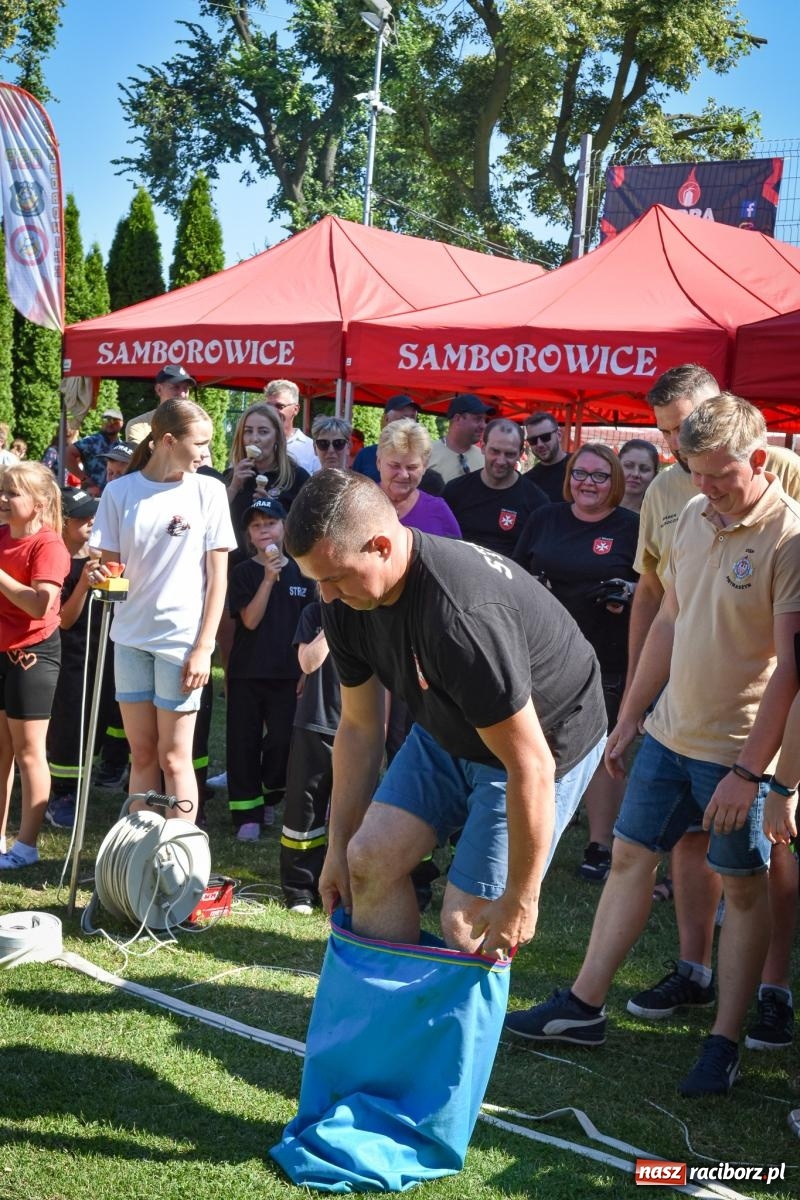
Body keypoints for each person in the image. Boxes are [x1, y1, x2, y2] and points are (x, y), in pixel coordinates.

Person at [505, 394, 800, 1098]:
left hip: (737, 755)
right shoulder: (691, 515)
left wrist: (753, 775)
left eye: (720, 474)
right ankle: (583, 1006)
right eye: (695, 471)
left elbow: (792, 669)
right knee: (629, 858)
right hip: (669, 736)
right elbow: (669, 616)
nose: (706, 487)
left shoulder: (791, 539)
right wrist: (632, 714)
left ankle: (724, 1041)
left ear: (760, 461)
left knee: (744, 890)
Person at [283, 469, 607, 954]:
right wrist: (338, 847)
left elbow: (531, 764)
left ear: (381, 546)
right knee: (367, 863)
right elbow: (359, 727)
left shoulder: (461, 618)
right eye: (316, 581)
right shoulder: (343, 598)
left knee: (468, 926)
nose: (326, 596)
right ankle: (394, 1001)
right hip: (450, 724)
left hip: (541, 739)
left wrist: (521, 896)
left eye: (333, 578)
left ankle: (458, 1003)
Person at [626, 364, 800, 1049]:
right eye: (671, 440)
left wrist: (769, 773)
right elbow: (660, 601)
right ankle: (694, 971)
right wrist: (635, 707)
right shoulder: (681, 498)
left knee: (768, 858)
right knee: (687, 846)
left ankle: (771, 992)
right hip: (685, 721)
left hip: (758, 734)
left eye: (685, 431)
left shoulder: (788, 497)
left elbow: (790, 659)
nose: (679, 452)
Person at [89, 398, 236, 824]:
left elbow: (218, 578)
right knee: (142, 754)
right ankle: (138, 847)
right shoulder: (119, 492)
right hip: (129, 639)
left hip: (181, 642)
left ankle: (178, 851)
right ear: (168, 441)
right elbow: (112, 570)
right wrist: (99, 576)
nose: (207, 453)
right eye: (201, 443)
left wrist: (204, 647)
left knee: (174, 758)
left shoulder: (208, 491)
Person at [514, 441, 638, 880]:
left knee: (601, 748)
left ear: (614, 482)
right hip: (542, 651)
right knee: (535, 742)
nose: (588, 483)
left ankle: (599, 845)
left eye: (600, 476)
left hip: (605, 652)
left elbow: (652, 588)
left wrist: (628, 592)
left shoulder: (631, 527)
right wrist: (533, 585)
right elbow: (516, 572)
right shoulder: (545, 517)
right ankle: (529, 834)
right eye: (580, 474)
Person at [226, 498, 312, 840]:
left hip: (288, 675)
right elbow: (249, 620)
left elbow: (311, 626)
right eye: (256, 526)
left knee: (283, 741)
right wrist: (267, 579)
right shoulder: (243, 572)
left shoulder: (304, 572)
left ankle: (270, 792)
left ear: (284, 527)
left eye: (271, 523)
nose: (264, 531)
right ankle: (247, 814)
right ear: (249, 535)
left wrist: (306, 670)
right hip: (247, 672)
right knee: (243, 742)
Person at [0, 462, 70, 868]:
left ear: (39, 504)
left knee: (29, 752)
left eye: (13, 493)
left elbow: (40, 605)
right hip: (2, 650)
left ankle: (26, 847)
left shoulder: (49, 546)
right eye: (3, 490)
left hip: (33, 653)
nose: (3, 498)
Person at [45, 487, 115, 830]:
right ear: (62, 522)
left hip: (100, 653)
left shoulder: (100, 559)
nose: (91, 522)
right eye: (82, 517)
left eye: (94, 515)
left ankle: (83, 782)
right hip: (69, 656)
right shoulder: (57, 563)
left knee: (95, 721)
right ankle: (61, 794)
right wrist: (85, 585)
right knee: (69, 725)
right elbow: (64, 620)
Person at [279, 595, 341, 914]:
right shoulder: (313, 614)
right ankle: (300, 889)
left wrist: (382, 728)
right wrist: (332, 623)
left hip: (356, 731)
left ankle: (341, 888)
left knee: (350, 814)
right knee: (303, 811)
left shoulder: (371, 615)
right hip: (313, 723)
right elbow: (307, 663)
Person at [443, 419, 548, 553]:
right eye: (495, 451)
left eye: (509, 454)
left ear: (521, 454)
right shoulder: (455, 491)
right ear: (483, 447)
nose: (501, 461)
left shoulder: (537, 502)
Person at [224, 402, 310, 561]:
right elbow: (212, 520)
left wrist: (274, 509)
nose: (254, 439)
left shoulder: (297, 477)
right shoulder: (230, 477)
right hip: (236, 568)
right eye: (248, 431)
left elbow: (306, 529)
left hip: (282, 567)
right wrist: (234, 487)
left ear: (277, 437)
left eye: (263, 432)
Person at [377, 418, 461, 537]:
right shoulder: (359, 504)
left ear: (424, 467)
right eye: (395, 465)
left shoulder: (438, 511)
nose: (403, 475)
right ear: (379, 462)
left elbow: (455, 548)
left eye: (411, 467)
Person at [351, 394, 420, 482]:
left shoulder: (420, 457)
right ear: (386, 419)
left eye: (413, 418)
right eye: (403, 419)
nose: (409, 423)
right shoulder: (366, 455)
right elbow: (353, 487)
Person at [427, 393, 492, 484]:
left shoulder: (485, 459)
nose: (484, 426)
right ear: (458, 419)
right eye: (478, 419)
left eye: (485, 420)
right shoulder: (426, 454)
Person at [125, 365, 197, 444]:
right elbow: (138, 452)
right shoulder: (139, 425)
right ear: (159, 389)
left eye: (186, 388)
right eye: (176, 387)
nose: (182, 395)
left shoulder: (197, 423)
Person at [264, 379, 319, 474]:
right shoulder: (259, 443)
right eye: (269, 407)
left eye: (279, 406)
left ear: (295, 409)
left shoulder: (311, 449)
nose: (272, 411)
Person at [76, 407, 124, 492]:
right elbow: (68, 453)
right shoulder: (91, 441)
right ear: (101, 422)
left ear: (121, 423)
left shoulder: (122, 446)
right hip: (91, 494)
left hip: (114, 494)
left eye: (114, 420)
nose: (110, 423)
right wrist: (84, 478)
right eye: (106, 419)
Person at [524, 412, 569, 501]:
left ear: (559, 435)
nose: (539, 444)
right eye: (533, 440)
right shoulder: (528, 481)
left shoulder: (580, 467)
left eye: (545, 437)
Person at [618, 438, 659, 513]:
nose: (635, 474)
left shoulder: (657, 515)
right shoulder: (597, 508)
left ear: (654, 475)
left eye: (644, 469)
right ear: (616, 467)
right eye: (628, 466)